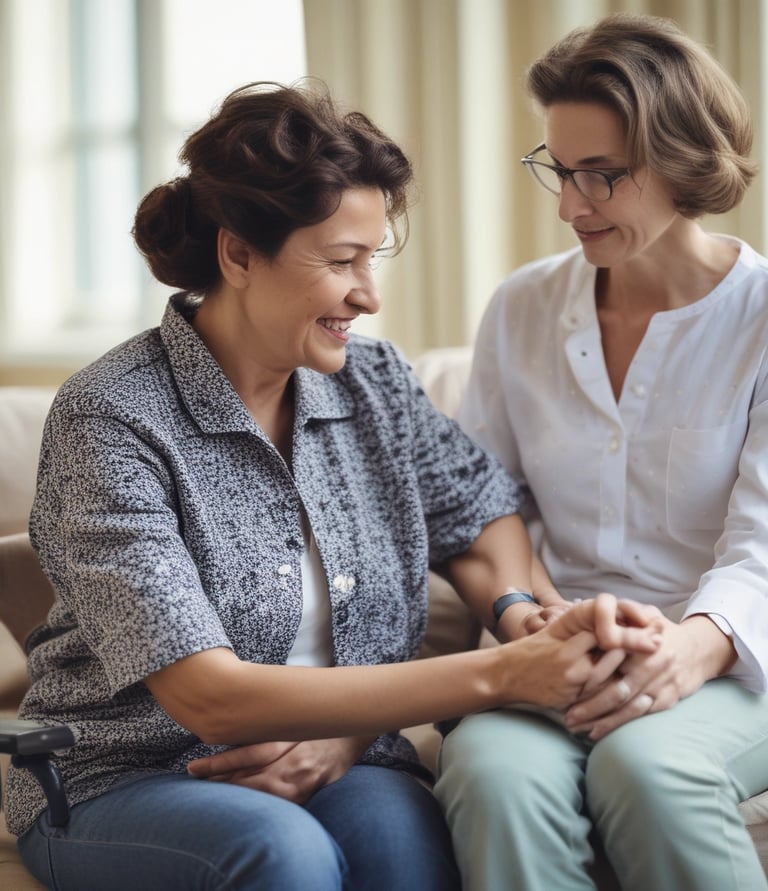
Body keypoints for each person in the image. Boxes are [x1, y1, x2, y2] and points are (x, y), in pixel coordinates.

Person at [5, 80, 661, 891]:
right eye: (341, 261)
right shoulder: (111, 414)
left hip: (346, 755)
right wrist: (504, 671)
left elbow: (479, 511)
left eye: (372, 258)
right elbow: (207, 696)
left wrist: (518, 612)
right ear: (239, 254)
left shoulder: (374, 382)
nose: (369, 294)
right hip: (129, 775)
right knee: (283, 851)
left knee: (409, 848)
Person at [434, 12, 768, 891]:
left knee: (651, 767)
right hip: (556, 649)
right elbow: (479, 511)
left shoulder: (761, 320)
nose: (569, 206)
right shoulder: (523, 307)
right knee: (492, 776)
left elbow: (761, 547)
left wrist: (685, 652)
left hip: (730, 660)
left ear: (684, 162)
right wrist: (523, 614)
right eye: (558, 169)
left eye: (602, 176)